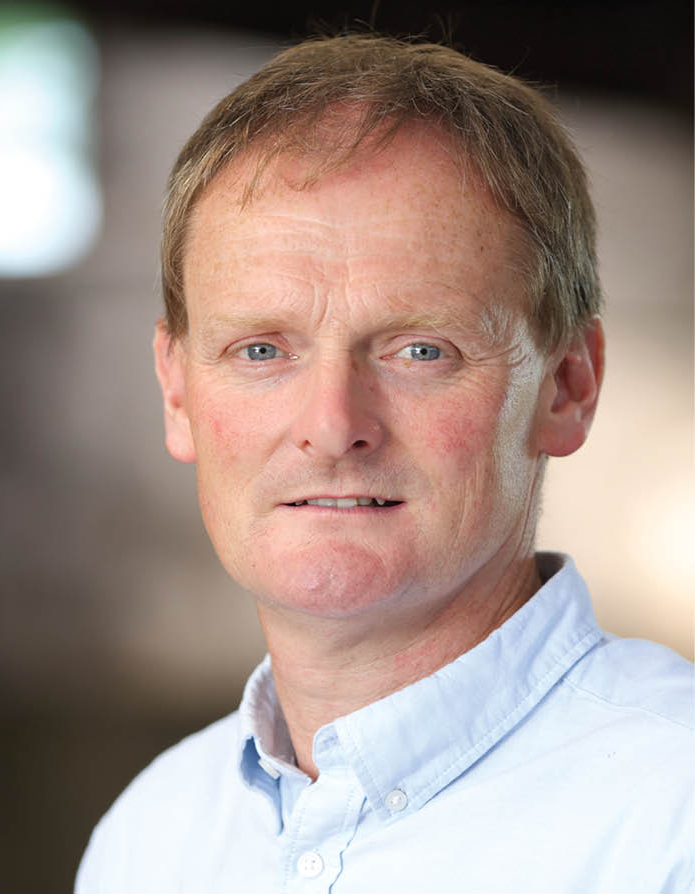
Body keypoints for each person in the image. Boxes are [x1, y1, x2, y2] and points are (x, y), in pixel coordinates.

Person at [76, 34, 693, 893]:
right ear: (176, 391)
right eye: (261, 350)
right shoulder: (150, 840)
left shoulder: (672, 815)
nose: (333, 428)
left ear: (567, 386)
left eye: (420, 351)